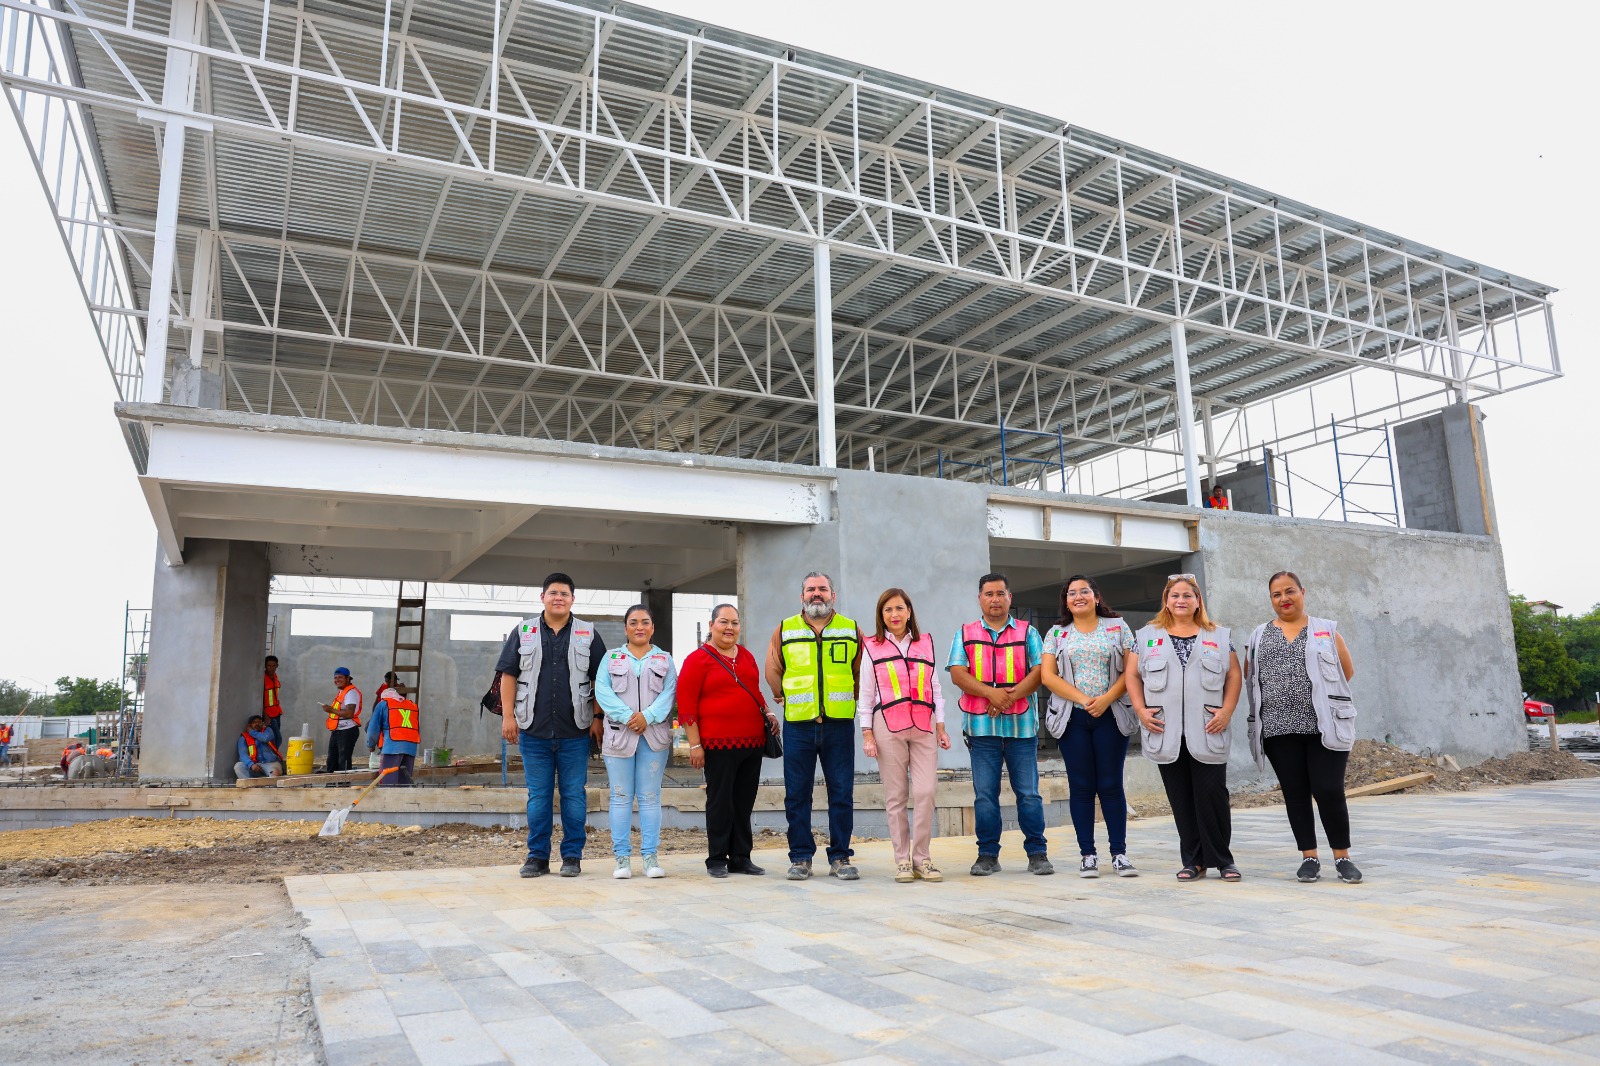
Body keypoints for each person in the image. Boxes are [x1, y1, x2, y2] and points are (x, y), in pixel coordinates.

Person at [1244, 571, 1362, 884]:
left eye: (1289, 591)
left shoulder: (1326, 630)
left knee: (1328, 789)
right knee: (1295, 794)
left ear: (1302, 592)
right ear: (1271, 599)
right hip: (1279, 729)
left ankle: (1342, 857)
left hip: (1324, 726)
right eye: (1276, 594)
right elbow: (1251, 678)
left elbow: (1345, 672)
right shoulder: (1258, 635)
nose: (1284, 599)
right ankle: (1309, 857)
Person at [1125, 574, 1244, 882]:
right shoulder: (1145, 636)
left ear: (1197, 601)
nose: (1181, 600)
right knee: (1180, 798)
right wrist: (1140, 710)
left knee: (1212, 794)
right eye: (1175, 595)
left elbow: (1233, 675)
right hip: (1165, 730)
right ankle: (1193, 860)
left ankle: (1223, 860)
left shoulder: (1218, 635)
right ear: (1166, 600)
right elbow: (1132, 676)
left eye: (1187, 596)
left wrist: (1227, 710)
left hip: (1208, 728)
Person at [497, 573, 606, 878]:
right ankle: (537, 857)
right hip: (533, 730)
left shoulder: (588, 633)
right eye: (553, 592)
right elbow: (508, 675)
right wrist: (508, 717)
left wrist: (598, 718)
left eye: (565, 593)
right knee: (538, 796)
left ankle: (572, 856)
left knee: (574, 794)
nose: (559, 597)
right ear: (542, 597)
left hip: (576, 731)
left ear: (573, 599)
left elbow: (602, 680)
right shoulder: (524, 630)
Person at [948, 573, 1053, 877]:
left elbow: (1040, 671)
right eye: (988, 594)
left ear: (1010, 597)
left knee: (1029, 793)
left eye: (1000, 594)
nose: (994, 599)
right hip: (981, 731)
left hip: (1021, 730)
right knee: (984, 795)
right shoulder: (965, 633)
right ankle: (987, 855)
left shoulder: (1028, 632)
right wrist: (991, 693)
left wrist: (1008, 697)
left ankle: (1037, 852)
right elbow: (957, 672)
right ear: (979, 598)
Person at [765, 572, 864, 882]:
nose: (816, 594)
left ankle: (840, 856)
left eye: (822, 589)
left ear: (832, 595)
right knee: (796, 794)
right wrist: (782, 696)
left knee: (842, 792)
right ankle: (801, 857)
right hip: (799, 724)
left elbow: (860, 671)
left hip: (838, 724)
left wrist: (851, 701)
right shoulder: (785, 628)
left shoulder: (850, 629)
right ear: (802, 596)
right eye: (811, 589)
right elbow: (773, 667)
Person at [1041, 575, 1138, 878]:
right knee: (1081, 787)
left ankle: (1119, 854)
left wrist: (1106, 699)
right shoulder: (1057, 634)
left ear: (1096, 597)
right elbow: (1048, 676)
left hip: (1111, 715)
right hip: (1073, 718)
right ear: (1065, 600)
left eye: (1085, 591)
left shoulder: (1118, 627)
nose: (1078, 596)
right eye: (1072, 593)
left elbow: (1132, 670)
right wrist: (1085, 700)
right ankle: (1088, 855)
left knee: (1110, 785)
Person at [858, 588, 950, 883]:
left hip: (924, 725)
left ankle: (922, 859)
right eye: (888, 610)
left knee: (925, 792)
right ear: (881, 615)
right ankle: (902, 861)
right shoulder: (871, 646)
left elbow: (935, 687)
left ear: (909, 611)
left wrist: (941, 725)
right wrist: (867, 734)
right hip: (886, 724)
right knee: (895, 796)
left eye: (899, 609)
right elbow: (866, 693)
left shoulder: (925, 643)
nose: (894, 615)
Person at [679, 603, 777, 878]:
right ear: (711, 625)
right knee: (720, 802)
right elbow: (687, 706)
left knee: (744, 802)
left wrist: (768, 711)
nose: (729, 628)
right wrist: (695, 745)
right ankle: (717, 859)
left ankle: (741, 857)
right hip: (717, 745)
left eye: (734, 623)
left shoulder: (745, 655)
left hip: (752, 742)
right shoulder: (696, 660)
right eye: (724, 622)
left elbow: (755, 690)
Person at [597, 604, 678, 879]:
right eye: (633, 622)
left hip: (653, 738)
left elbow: (669, 693)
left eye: (645, 622)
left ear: (653, 627)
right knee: (620, 797)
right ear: (625, 628)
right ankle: (621, 859)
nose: (639, 627)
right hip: (620, 736)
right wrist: (631, 717)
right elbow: (602, 692)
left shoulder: (665, 659)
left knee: (650, 797)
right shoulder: (611, 658)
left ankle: (650, 858)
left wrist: (649, 717)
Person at [366, 686, 421, 787]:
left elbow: (373, 728)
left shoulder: (383, 704)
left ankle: (388, 802)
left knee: (388, 783)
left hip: (392, 747)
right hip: (410, 748)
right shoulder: (412, 705)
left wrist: (371, 744)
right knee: (404, 783)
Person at [320, 668, 363, 772]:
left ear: (348, 678)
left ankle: (343, 785)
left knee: (343, 761)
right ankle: (331, 786)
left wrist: (330, 710)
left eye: (340, 677)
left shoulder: (351, 693)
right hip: (338, 730)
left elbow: (349, 713)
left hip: (347, 730)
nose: (337, 680)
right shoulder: (342, 691)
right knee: (332, 761)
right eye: (335, 677)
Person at [235, 715, 283, 779]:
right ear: (249, 725)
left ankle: (270, 788)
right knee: (238, 766)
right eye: (254, 722)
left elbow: (265, 738)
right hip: (254, 764)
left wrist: (251, 732)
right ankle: (250, 787)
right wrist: (251, 764)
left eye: (259, 722)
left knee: (275, 773)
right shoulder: (243, 738)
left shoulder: (267, 730)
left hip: (270, 763)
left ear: (262, 723)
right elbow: (243, 754)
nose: (257, 724)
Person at [262, 655, 283, 748]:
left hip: (277, 712)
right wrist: (265, 716)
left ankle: (274, 758)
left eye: (274, 666)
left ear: (277, 666)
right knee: (276, 739)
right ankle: (273, 758)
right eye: (269, 665)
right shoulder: (262, 678)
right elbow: (260, 699)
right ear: (265, 666)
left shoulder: (275, 677)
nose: (271, 668)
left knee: (275, 739)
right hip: (268, 714)